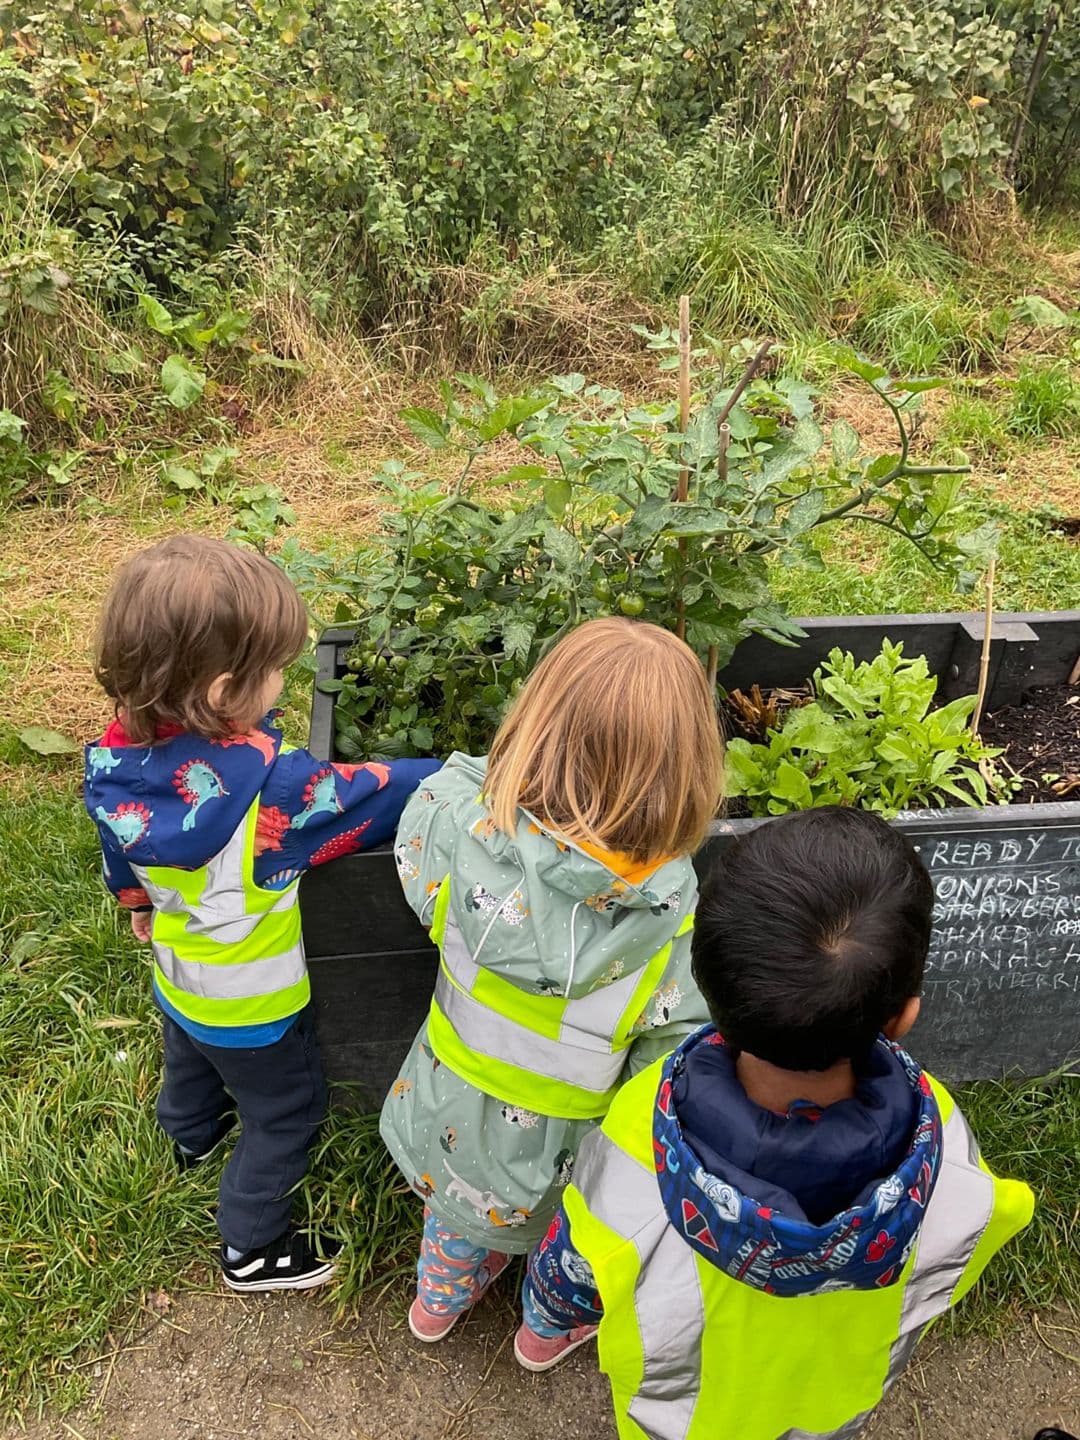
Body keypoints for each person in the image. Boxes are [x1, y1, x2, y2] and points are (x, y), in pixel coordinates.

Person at [519, 806, 1034, 1434]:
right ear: (904, 1014)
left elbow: (573, 1264)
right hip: (834, 1403)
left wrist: (546, 1312)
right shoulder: (951, 1152)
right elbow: (982, 1231)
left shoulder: (637, 1136)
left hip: (679, 1419)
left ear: (709, 987)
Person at [85, 535, 439, 1293]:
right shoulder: (269, 795)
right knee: (285, 1114)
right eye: (278, 669)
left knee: (189, 1056)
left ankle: (186, 1138)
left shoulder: (113, 764)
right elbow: (371, 794)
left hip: (181, 975)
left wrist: (138, 900)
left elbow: (121, 853)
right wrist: (454, 772)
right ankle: (253, 1246)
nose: (288, 681)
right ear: (222, 694)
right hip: (255, 1004)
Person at [380, 617, 724, 1344]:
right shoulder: (674, 925)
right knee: (570, 1248)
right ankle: (544, 1331)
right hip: (566, 1156)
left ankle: (436, 1305)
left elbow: (440, 789)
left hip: (446, 1113)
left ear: (536, 729)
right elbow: (670, 1063)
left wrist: (507, 776)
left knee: (454, 1224)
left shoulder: (457, 836)